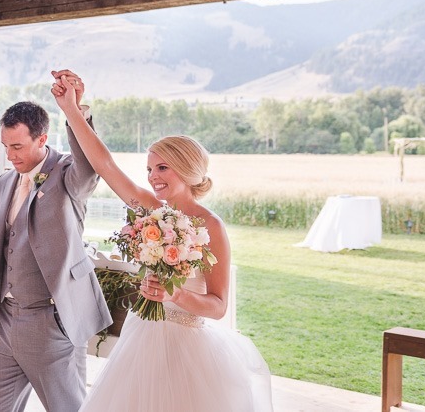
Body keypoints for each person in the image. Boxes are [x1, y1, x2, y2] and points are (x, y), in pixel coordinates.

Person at [51, 75, 273, 412]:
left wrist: (176, 294)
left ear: (186, 169)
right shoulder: (150, 211)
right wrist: (71, 110)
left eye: (162, 167)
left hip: (188, 349)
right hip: (141, 337)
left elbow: (218, 306)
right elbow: (105, 164)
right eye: (150, 168)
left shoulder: (211, 226)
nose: (153, 176)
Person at [0, 70, 112, 412]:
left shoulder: (68, 175)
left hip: (52, 322)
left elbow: (91, 166)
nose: (10, 156)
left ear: (42, 139)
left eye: (17, 146)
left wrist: (76, 111)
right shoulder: (5, 183)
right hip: (3, 320)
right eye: (6, 147)